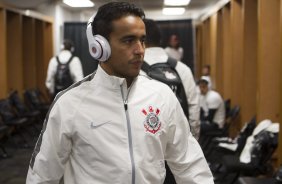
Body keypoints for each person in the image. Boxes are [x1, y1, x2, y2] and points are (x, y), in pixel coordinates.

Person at [26, 2, 213, 184]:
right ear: (99, 47)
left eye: (142, 40)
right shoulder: (69, 103)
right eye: (128, 40)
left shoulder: (162, 96)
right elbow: (42, 175)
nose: (140, 50)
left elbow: (190, 165)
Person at [142, 19, 200, 140]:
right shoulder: (182, 68)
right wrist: (193, 138)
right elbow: (193, 107)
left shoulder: (134, 70)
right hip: (180, 140)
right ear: (161, 39)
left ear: (140, 41)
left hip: (149, 142)